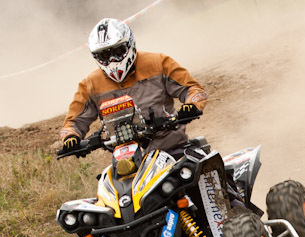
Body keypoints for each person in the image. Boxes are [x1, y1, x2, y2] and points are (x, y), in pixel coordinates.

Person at [59, 18, 206, 157]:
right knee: (106, 177)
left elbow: (193, 89)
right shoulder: (91, 84)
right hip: (126, 158)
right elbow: (73, 122)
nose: (112, 59)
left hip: (172, 148)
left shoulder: (158, 63)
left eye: (117, 51)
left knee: (193, 167)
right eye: (104, 55)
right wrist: (70, 137)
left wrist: (192, 106)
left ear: (129, 44)